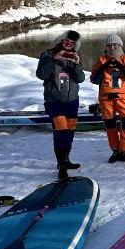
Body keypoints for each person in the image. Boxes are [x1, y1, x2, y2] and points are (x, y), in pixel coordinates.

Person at [36, 30, 85, 180]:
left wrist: (76, 64)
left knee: (69, 132)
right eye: (66, 41)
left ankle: (66, 160)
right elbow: (41, 75)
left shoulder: (73, 57)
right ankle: (62, 167)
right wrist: (53, 60)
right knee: (61, 131)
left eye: (72, 43)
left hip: (71, 100)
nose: (69, 44)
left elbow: (81, 78)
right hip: (54, 100)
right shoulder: (48, 54)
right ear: (61, 40)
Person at [90, 33, 125, 163]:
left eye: (115, 45)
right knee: (110, 125)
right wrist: (103, 67)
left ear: (120, 46)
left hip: (123, 97)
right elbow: (94, 80)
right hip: (106, 98)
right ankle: (115, 149)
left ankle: (124, 149)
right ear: (106, 47)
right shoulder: (102, 60)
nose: (112, 47)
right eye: (109, 45)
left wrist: (121, 67)